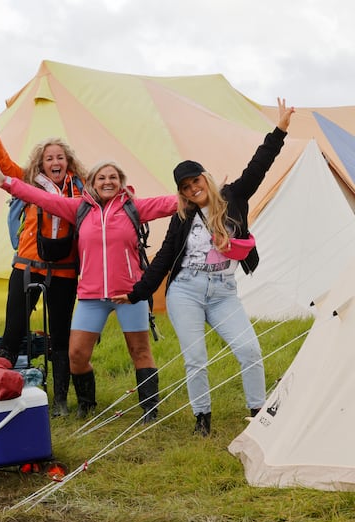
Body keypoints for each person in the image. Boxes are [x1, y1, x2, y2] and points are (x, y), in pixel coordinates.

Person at [114, 98, 295, 436]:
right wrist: (138, 292)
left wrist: (280, 130)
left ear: (205, 178)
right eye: (185, 187)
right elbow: (165, 257)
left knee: (249, 349)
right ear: (181, 193)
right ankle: (202, 419)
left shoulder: (234, 197)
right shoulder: (182, 217)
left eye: (195, 181)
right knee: (196, 357)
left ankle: (258, 412)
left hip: (224, 292)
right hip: (187, 291)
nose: (192, 189)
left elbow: (260, 164)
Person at [0, 160, 177, 422]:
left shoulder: (133, 207)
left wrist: (204, 192)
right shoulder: (79, 208)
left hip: (129, 294)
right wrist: (6, 183)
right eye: (101, 178)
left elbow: (170, 203)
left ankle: (150, 410)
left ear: (121, 182)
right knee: (76, 355)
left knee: (140, 351)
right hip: (92, 297)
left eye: (113, 177)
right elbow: (40, 197)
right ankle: (87, 404)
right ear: (92, 183)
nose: (108, 182)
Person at [0, 94, 87, 417]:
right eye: (49, 156)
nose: (55, 161)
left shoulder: (81, 190)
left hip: (64, 272)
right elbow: (2, 161)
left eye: (60, 157)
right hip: (26, 267)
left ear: (68, 162)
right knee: (13, 332)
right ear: (41, 161)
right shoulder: (28, 181)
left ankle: (61, 401)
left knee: (61, 337)